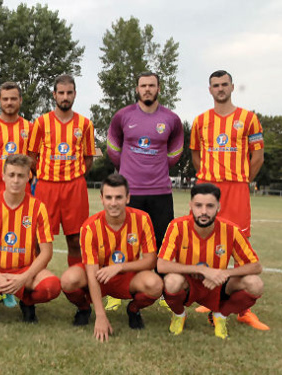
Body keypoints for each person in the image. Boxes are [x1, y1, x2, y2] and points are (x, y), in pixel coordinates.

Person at [190, 70, 268, 330]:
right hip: (208, 187)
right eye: (215, 85)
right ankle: (211, 299)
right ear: (209, 89)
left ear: (232, 87)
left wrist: (242, 179)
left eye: (224, 84)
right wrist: (208, 180)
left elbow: (257, 157)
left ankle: (243, 310)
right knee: (206, 243)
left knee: (240, 246)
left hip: (236, 188)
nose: (220, 89)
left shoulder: (249, 119)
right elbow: (196, 156)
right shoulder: (200, 121)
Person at [105, 71, 183, 311]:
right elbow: (112, 146)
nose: (147, 89)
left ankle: (159, 291)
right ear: (136, 89)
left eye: (151, 85)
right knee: (124, 242)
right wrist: (126, 168)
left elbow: (176, 149)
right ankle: (117, 292)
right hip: (131, 191)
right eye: (143, 86)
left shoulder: (171, 119)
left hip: (160, 190)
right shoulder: (123, 116)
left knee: (161, 243)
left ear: (159, 88)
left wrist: (158, 166)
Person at [61, 174, 162, 342]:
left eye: (118, 197)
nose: (113, 203)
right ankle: (84, 309)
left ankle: (134, 309)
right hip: (99, 276)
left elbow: (151, 260)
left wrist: (120, 267)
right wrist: (100, 315)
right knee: (68, 280)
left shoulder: (142, 219)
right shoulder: (89, 226)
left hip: (127, 277)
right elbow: (92, 273)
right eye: (108, 197)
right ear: (101, 199)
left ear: (127, 198)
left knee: (155, 284)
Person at [0, 154, 61, 323]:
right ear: (3, 176)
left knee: (51, 287)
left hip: (25, 270)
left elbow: (46, 251)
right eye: (12, 175)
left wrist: (23, 277)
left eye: (21, 176)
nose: (16, 180)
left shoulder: (38, 207)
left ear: (28, 177)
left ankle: (27, 303)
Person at [157, 183, 264, 339]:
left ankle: (220, 315)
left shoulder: (231, 230)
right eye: (198, 206)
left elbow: (256, 266)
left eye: (210, 206)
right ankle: (179, 315)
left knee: (255, 284)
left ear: (219, 207)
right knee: (172, 281)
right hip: (189, 283)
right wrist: (202, 270)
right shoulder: (177, 226)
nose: (204, 211)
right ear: (191, 205)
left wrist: (223, 273)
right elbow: (161, 264)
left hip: (218, 284)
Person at [28, 74, 96, 267]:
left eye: (69, 93)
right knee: (38, 239)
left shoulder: (85, 124)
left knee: (75, 239)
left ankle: (75, 289)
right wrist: (44, 172)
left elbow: (88, 158)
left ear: (75, 94)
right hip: (46, 187)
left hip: (74, 187)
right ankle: (33, 285)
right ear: (54, 95)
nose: (65, 97)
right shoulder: (41, 123)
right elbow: (32, 156)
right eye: (61, 93)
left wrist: (75, 175)